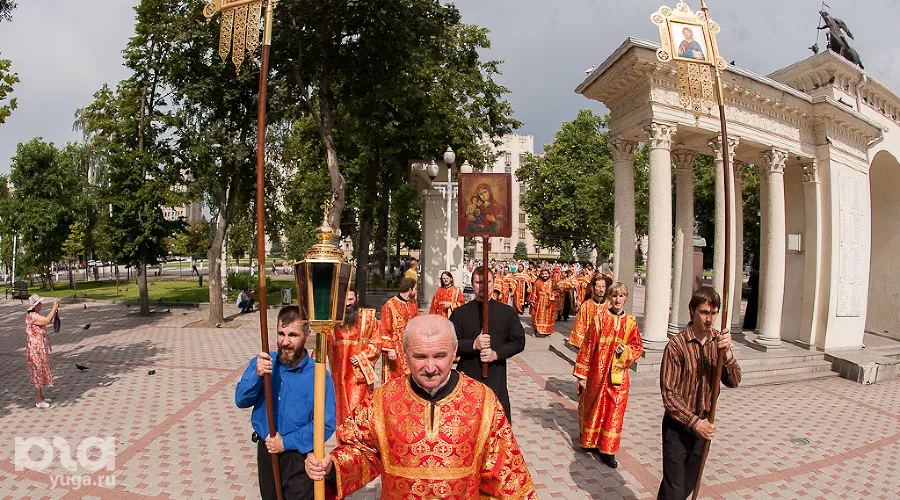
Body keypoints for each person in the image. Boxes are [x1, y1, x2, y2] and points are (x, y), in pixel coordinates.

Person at [304, 315, 537, 499]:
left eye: (440, 355)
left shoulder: (483, 401)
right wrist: (331, 467)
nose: (430, 366)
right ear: (405, 353)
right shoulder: (381, 401)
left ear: (455, 351)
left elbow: (507, 473)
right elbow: (361, 451)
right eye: (419, 356)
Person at [235, 306, 337, 500]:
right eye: (281, 333)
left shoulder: (319, 376)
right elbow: (241, 400)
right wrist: (257, 376)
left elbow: (325, 424)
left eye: (293, 335)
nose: (285, 342)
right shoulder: (264, 363)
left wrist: (286, 442)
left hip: (299, 457)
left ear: (306, 336)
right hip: (267, 453)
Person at [657, 286, 742, 500]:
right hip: (678, 426)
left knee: (686, 485)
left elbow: (734, 381)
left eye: (713, 313)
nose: (709, 319)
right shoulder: (676, 346)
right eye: (704, 312)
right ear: (692, 311)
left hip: (704, 425)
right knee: (675, 489)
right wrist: (696, 423)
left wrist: (728, 354)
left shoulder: (718, 343)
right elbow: (669, 396)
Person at [573, 282, 643, 469]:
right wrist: (582, 375)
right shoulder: (600, 319)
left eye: (621, 296)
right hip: (597, 374)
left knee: (614, 412)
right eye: (614, 296)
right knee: (593, 406)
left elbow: (637, 347)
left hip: (619, 377)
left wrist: (626, 350)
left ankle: (608, 450)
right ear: (610, 299)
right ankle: (590, 440)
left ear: (626, 298)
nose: (617, 299)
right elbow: (588, 347)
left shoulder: (631, 323)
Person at [449, 266, 526, 422]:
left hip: (495, 376)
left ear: (494, 282)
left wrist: (496, 354)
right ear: (472, 284)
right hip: (468, 377)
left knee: (496, 426)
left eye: (488, 282)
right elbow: (448, 344)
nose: (483, 286)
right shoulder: (460, 313)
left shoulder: (507, 313)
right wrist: (473, 345)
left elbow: (519, 341)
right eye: (478, 282)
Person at [328, 289, 381, 425]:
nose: (347, 304)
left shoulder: (368, 318)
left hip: (359, 373)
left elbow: (377, 341)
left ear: (356, 298)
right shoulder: (332, 320)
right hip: (339, 374)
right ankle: (344, 442)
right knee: (341, 412)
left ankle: (359, 442)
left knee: (358, 409)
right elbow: (323, 342)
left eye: (350, 299)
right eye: (344, 300)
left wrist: (362, 357)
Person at [380, 277, 419, 383]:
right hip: (396, 347)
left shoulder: (413, 303)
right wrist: (390, 349)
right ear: (410, 289)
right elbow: (384, 329)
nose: (416, 291)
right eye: (415, 289)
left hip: (412, 345)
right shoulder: (390, 305)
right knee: (397, 377)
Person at [25, 294, 59, 409]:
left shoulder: (34, 315)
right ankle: (39, 401)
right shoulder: (32, 316)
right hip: (35, 350)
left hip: (38, 349)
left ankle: (42, 397)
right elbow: (47, 320)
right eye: (39, 303)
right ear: (35, 306)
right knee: (37, 373)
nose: (41, 304)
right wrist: (54, 308)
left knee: (40, 372)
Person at [567, 273, 612, 348]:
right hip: (589, 345)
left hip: (606, 346)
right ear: (593, 288)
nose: (601, 290)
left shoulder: (610, 305)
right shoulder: (586, 305)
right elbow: (580, 325)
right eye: (598, 287)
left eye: (603, 287)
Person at [528, 268, 556, 337]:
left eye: (546, 274)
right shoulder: (537, 282)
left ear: (549, 274)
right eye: (543, 274)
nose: (544, 275)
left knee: (548, 317)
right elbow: (534, 293)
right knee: (536, 316)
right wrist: (532, 301)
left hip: (549, 303)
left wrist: (552, 294)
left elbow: (557, 291)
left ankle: (546, 331)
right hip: (539, 302)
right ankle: (536, 330)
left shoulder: (553, 282)